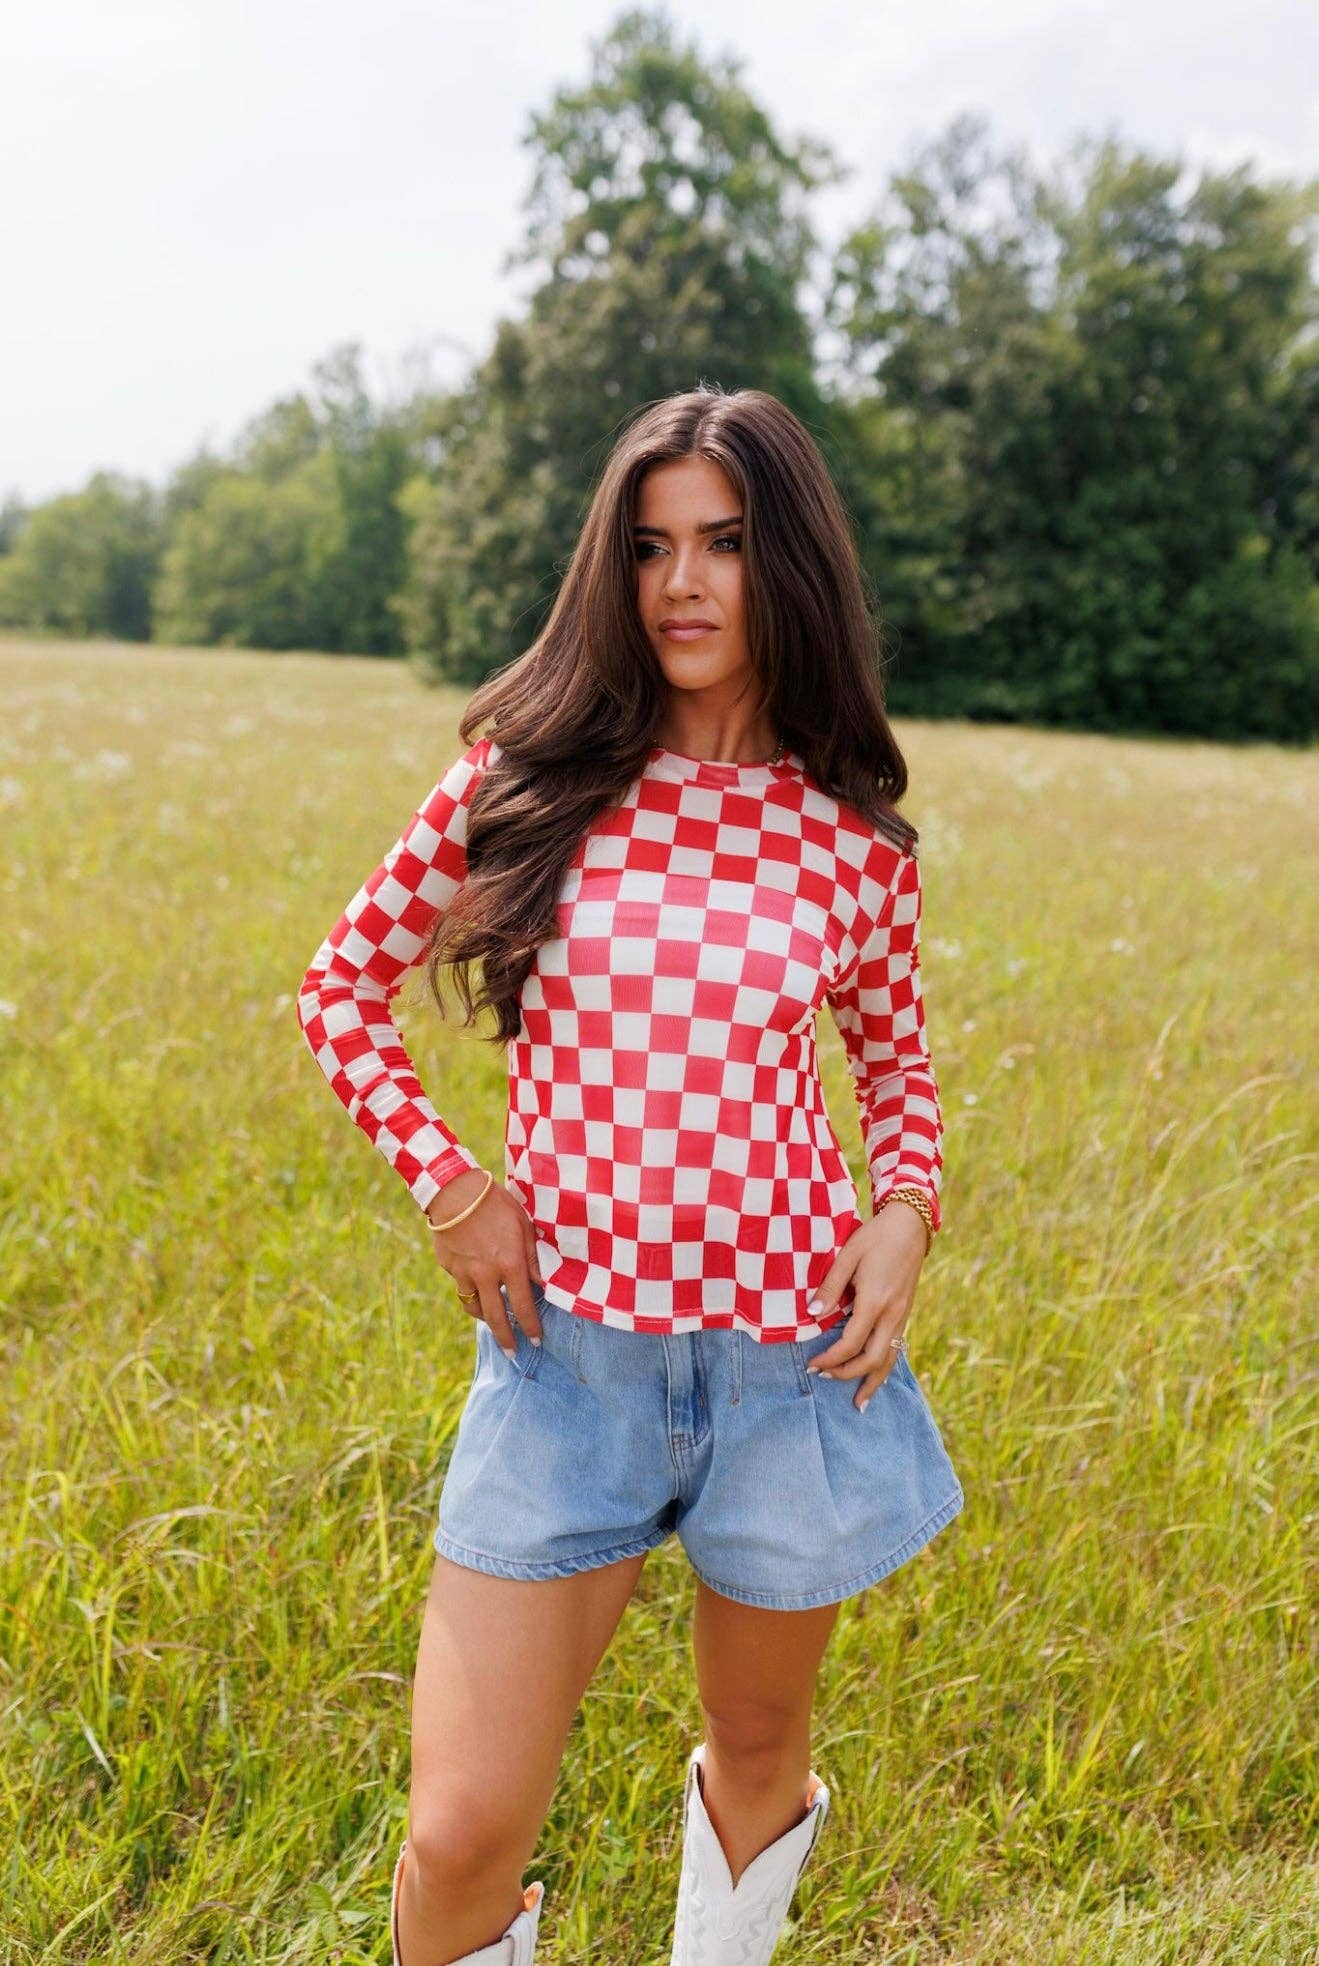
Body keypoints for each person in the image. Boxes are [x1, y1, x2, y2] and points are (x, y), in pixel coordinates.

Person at [295, 385, 965, 1966]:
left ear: (784, 562)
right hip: (565, 1371)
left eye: (722, 543)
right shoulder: (519, 779)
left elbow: (898, 1073)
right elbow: (339, 990)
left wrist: (904, 1214)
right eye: (651, 546)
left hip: (788, 1370)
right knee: (461, 1828)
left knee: (759, 1745)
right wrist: (455, 1187)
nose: (682, 583)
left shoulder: (852, 840)